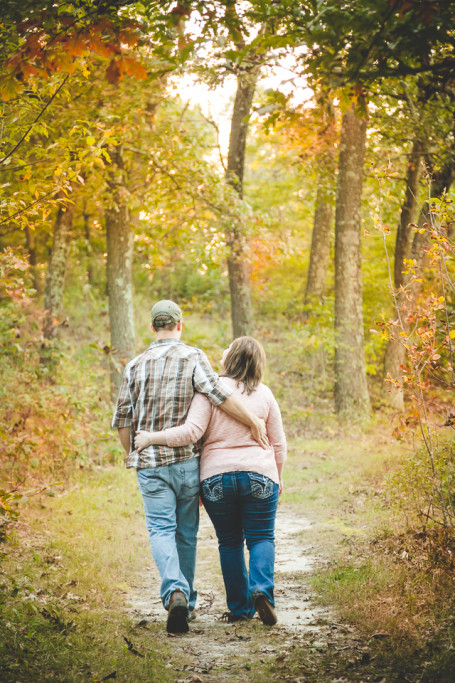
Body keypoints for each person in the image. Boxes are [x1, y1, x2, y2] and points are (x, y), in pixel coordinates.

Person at [112, 300, 268, 635]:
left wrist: (134, 454)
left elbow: (123, 421)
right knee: (186, 533)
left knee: (160, 529)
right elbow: (218, 395)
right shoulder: (194, 356)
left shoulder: (134, 366)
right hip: (186, 463)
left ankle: (176, 592)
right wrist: (253, 420)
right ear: (179, 325)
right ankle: (189, 602)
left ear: (152, 327)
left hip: (151, 464)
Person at [135, 336, 286, 626]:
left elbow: (191, 432)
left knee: (229, 543)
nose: (224, 349)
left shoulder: (208, 393)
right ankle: (262, 591)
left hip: (216, 478)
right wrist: (277, 478)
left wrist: (153, 438)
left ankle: (241, 609)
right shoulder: (265, 394)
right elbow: (279, 444)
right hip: (260, 475)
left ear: (232, 358)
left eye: (228, 347)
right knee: (261, 537)